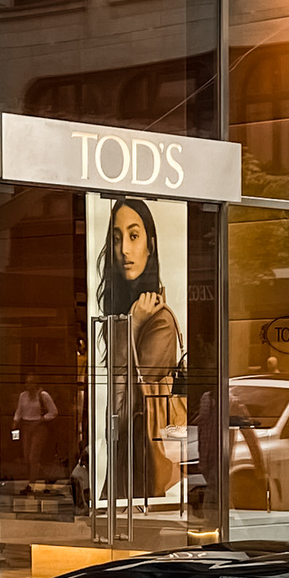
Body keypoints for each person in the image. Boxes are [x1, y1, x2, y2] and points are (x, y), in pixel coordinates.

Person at [96, 196, 185, 500]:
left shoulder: (158, 321)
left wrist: (132, 326)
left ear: (151, 244)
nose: (124, 250)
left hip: (143, 462)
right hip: (127, 459)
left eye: (134, 236)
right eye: (117, 238)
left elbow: (127, 402)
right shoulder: (125, 311)